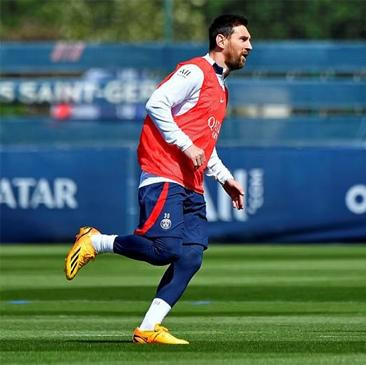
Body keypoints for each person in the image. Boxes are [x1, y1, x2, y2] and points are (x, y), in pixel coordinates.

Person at [63, 14, 252, 345]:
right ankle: (97, 241)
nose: (250, 46)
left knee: (191, 256)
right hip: (164, 172)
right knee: (162, 249)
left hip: (191, 182)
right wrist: (185, 144)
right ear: (222, 41)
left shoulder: (222, 88)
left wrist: (224, 177)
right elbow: (156, 102)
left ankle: (147, 328)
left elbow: (205, 145)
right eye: (244, 39)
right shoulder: (195, 71)